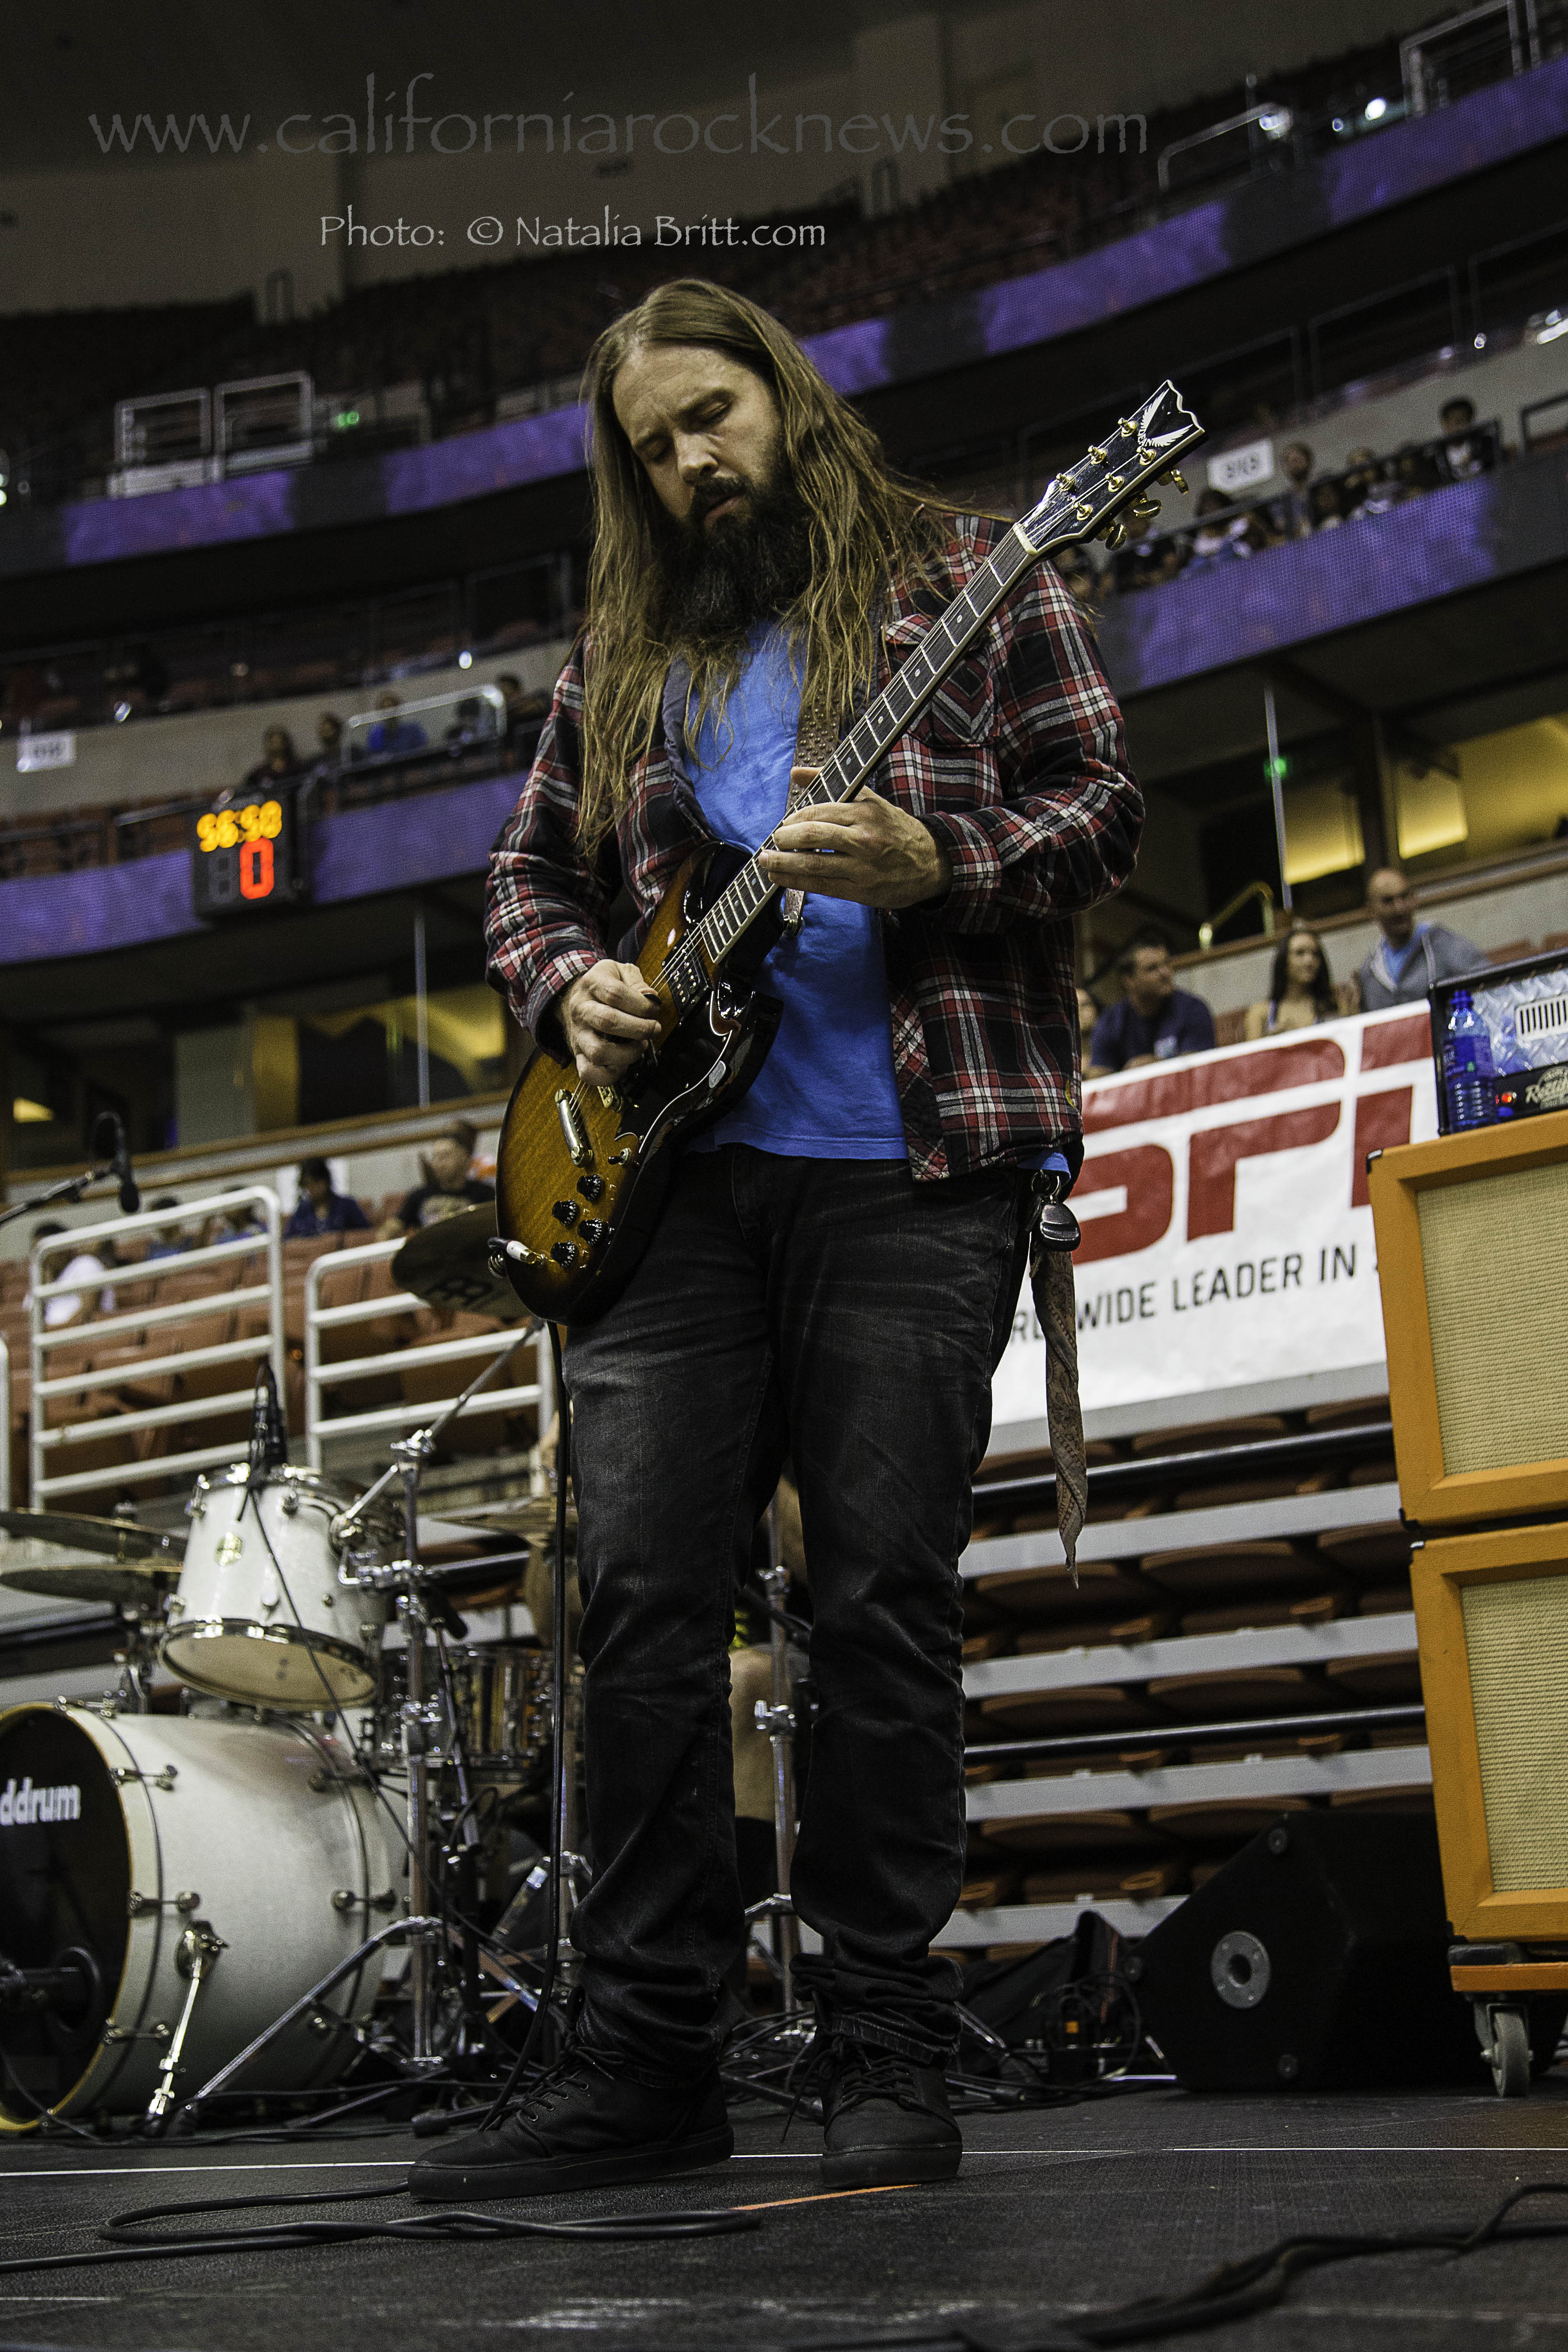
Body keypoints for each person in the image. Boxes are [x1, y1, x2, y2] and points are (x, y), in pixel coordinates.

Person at [417, 277, 1141, 2207]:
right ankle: (645, 2055)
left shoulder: (974, 574)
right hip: (665, 1190)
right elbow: (523, 875)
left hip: (910, 1162)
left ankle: (884, 2039)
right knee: (644, 1612)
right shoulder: (623, 648)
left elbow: (1101, 808)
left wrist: (942, 861)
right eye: (652, 445)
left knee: (880, 1599)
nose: (689, 461)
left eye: (710, 414)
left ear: (784, 393)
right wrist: (571, 984)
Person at [1356, 866, 1486, 1007]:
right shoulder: (1369, 972)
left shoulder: (1445, 946)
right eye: (1388, 901)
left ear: (1415, 900)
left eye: (1404, 897)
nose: (1400, 908)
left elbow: (1489, 988)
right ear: (1371, 911)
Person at [1088, 939, 1214, 1073]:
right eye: (1152, 969)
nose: (1165, 973)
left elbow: (1199, 1065)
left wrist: (1152, 1067)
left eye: (1167, 964)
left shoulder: (1193, 1009)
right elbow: (1098, 1074)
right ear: (1129, 980)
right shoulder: (1111, 1021)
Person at [382, 1119, 494, 1235]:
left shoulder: (485, 1194)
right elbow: (392, 1228)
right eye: (436, 1157)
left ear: (465, 1160)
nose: (439, 1163)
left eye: (445, 1156)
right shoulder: (419, 1195)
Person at [1243, 925, 1353, 1038]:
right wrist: (1272, 1041)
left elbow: (1350, 1040)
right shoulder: (1260, 1014)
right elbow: (1253, 1049)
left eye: (1316, 954)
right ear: (1283, 962)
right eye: (1300, 953)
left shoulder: (1335, 1002)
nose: (1310, 961)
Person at [28, 1220, 113, 1328]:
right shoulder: (39, 1280)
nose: (39, 1257)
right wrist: (44, 1287)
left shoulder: (86, 1263)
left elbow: (88, 1313)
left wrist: (55, 1333)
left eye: (43, 1250)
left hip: (83, 1334)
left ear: (63, 1247)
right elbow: (30, 1325)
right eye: (35, 1251)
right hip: (52, 1336)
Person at [286, 1157, 369, 1238]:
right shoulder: (302, 1211)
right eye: (308, 1184)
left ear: (326, 1181)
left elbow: (366, 1234)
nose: (312, 1188)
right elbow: (288, 1239)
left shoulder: (347, 1205)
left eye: (316, 1182)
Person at [366, 690, 428, 757]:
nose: (390, 712)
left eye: (392, 707)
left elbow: (423, 750)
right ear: (380, 712)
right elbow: (375, 756)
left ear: (398, 708)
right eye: (385, 709)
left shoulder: (413, 729)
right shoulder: (376, 734)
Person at [243, 726, 301, 794]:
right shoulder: (260, 773)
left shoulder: (296, 768)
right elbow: (247, 790)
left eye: (279, 742)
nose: (276, 745)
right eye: (273, 742)